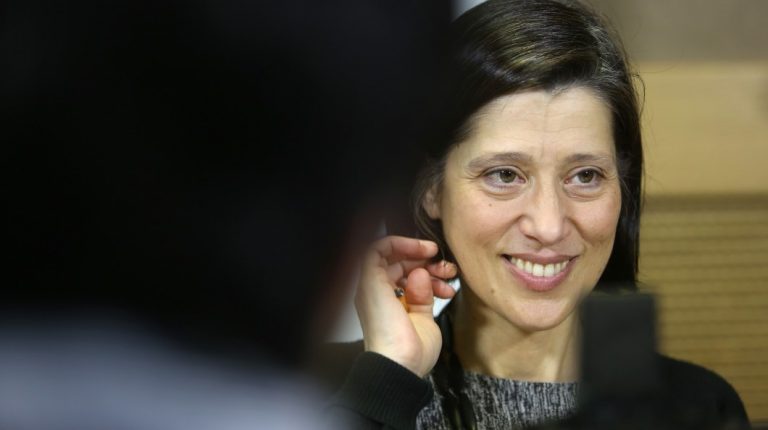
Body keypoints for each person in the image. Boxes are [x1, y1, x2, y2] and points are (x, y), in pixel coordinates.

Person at [342, 0, 751, 429]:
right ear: (431, 189)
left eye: (585, 176)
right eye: (504, 175)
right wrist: (387, 383)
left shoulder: (703, 409)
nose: (549, 226)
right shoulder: (345, 395)